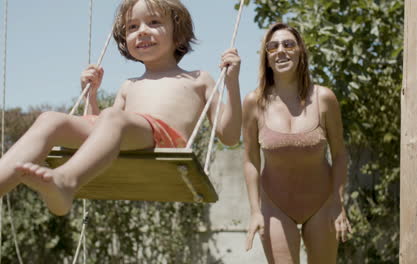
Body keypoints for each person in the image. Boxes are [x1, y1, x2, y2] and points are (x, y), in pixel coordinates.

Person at [0, 0, 241, 216]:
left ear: (178, 35)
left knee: (113, 117)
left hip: (166, 142)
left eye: (154, 22)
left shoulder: (199, 78)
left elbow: (229, 137)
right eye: (132, 27)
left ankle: (67, 181)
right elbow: (100, 136)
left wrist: (232, 83)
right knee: (50, 119)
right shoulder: (129, 85)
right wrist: (91, 97)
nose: (142, 31)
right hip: (130, 133)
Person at [242, 22, 351, 263]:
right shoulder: (253, 102)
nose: (281, 50)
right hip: (275, 207)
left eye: (288, 44)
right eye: (273, 47)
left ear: (300, 51)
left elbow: (340, 154)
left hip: (322, 205)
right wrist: (255, 211)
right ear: (267, 58)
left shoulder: (324, 98)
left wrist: (337, 202)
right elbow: (250, 160)